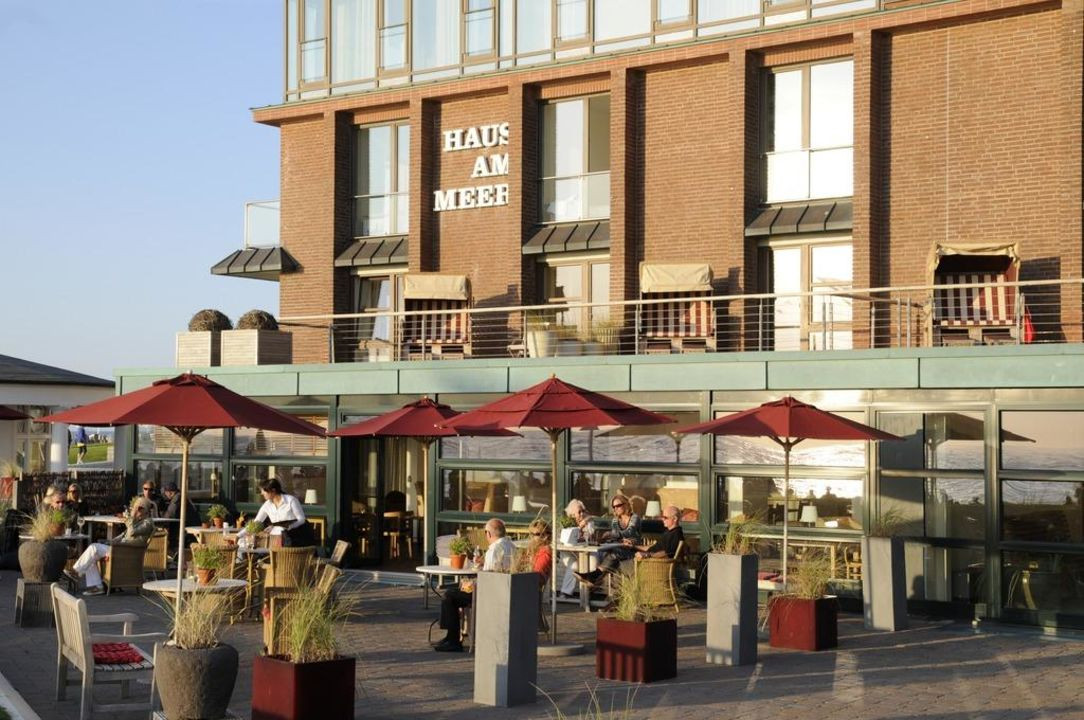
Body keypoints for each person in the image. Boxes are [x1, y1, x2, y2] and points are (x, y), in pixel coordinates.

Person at [434, 518, 517, 653]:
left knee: (449, 596)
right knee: (453, 593)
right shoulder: (511, 546)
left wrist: (472, 581)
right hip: (504, 591)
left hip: (488, 594)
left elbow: (488, 578)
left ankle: (453, 639)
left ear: (488, 534)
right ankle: (450, 637)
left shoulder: (494, 550)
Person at [576, 504, 682, 586]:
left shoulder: (676, 534)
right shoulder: (669, 532)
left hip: (649, 565)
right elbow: (650, 548)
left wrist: (647, 555)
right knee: (618, 550)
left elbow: (667, 553)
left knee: (616, 562)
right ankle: (595, 579)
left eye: (665, 517)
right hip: (645, 559)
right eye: (662, 517)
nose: (662, 519)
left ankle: (599, 583)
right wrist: (634, 546)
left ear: (675, 519)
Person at [66, 499, 155, 596]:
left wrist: (130, 518)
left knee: (93, 548)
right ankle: (98, 586)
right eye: (136, 507)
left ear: (146, 510)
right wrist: (109, 543)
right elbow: (122, 536)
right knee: (92, 556)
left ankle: (75, 572)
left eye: (140, 508)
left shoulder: (148, 523)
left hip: (125, 552)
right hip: (119, 549)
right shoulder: (137, 522)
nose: (137, 510)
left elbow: (131, 532)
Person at [574, 494, 641, 587]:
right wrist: (605, 538)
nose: (615, 508)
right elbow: (616, 538)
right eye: (614, 507)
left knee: (614, 554)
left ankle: (595, 576)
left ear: (626, 505)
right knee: (606, 552)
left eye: (618, 505)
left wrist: (611, 534)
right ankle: (595, 579)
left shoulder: (634, 518)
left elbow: (629, 532)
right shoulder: (615, 521)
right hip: (620, 548)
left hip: (633, 550)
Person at [238, 478, 314, 547]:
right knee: (245, 543)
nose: (262, 493)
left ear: (273, 491)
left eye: (264, 490)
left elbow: (301, 519)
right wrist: (238, 535)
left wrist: (289, 527)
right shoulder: (267, 505)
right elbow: (256, 523)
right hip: (274, 539)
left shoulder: (291, 500)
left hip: (293, 538)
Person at [557, 499, 594, 599]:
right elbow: (561, 540)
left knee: (593, 563)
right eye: (579, 512)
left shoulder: (588, 522)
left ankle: (590, 591)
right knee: (574, 566)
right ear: (572, 514)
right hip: (568, 553)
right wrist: (578, 528)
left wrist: (585, 525)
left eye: (583, 511)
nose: (582, 514)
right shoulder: (565, 524)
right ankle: (565, 593)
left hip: (585, 553)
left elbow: (590, 537)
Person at [161, 482, 197, 548]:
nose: (165, 495)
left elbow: (170, 514)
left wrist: (161, 523)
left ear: (170, 493)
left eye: (166, 493)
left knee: (170, 535)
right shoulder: (180, 496)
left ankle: (174, 553)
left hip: (187, 528)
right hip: (187, 526)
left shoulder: (177, 498)